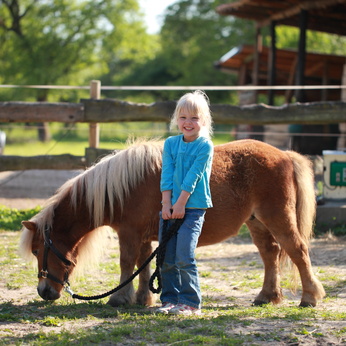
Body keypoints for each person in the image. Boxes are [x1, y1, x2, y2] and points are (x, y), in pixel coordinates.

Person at [156, 90, 214, 316]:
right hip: (170, 206)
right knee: (167, 257)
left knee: (184, 256)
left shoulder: (204, 146)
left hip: (193, 207)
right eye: (183, 117)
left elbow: (193, 177)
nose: (188, 123)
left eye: (194, 118)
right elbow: (167, 174)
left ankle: (190, 301)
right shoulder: (171, 143)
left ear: (204, 121)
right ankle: (170, 299)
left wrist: (180, 205)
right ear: (176, 119)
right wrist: (166, 204)